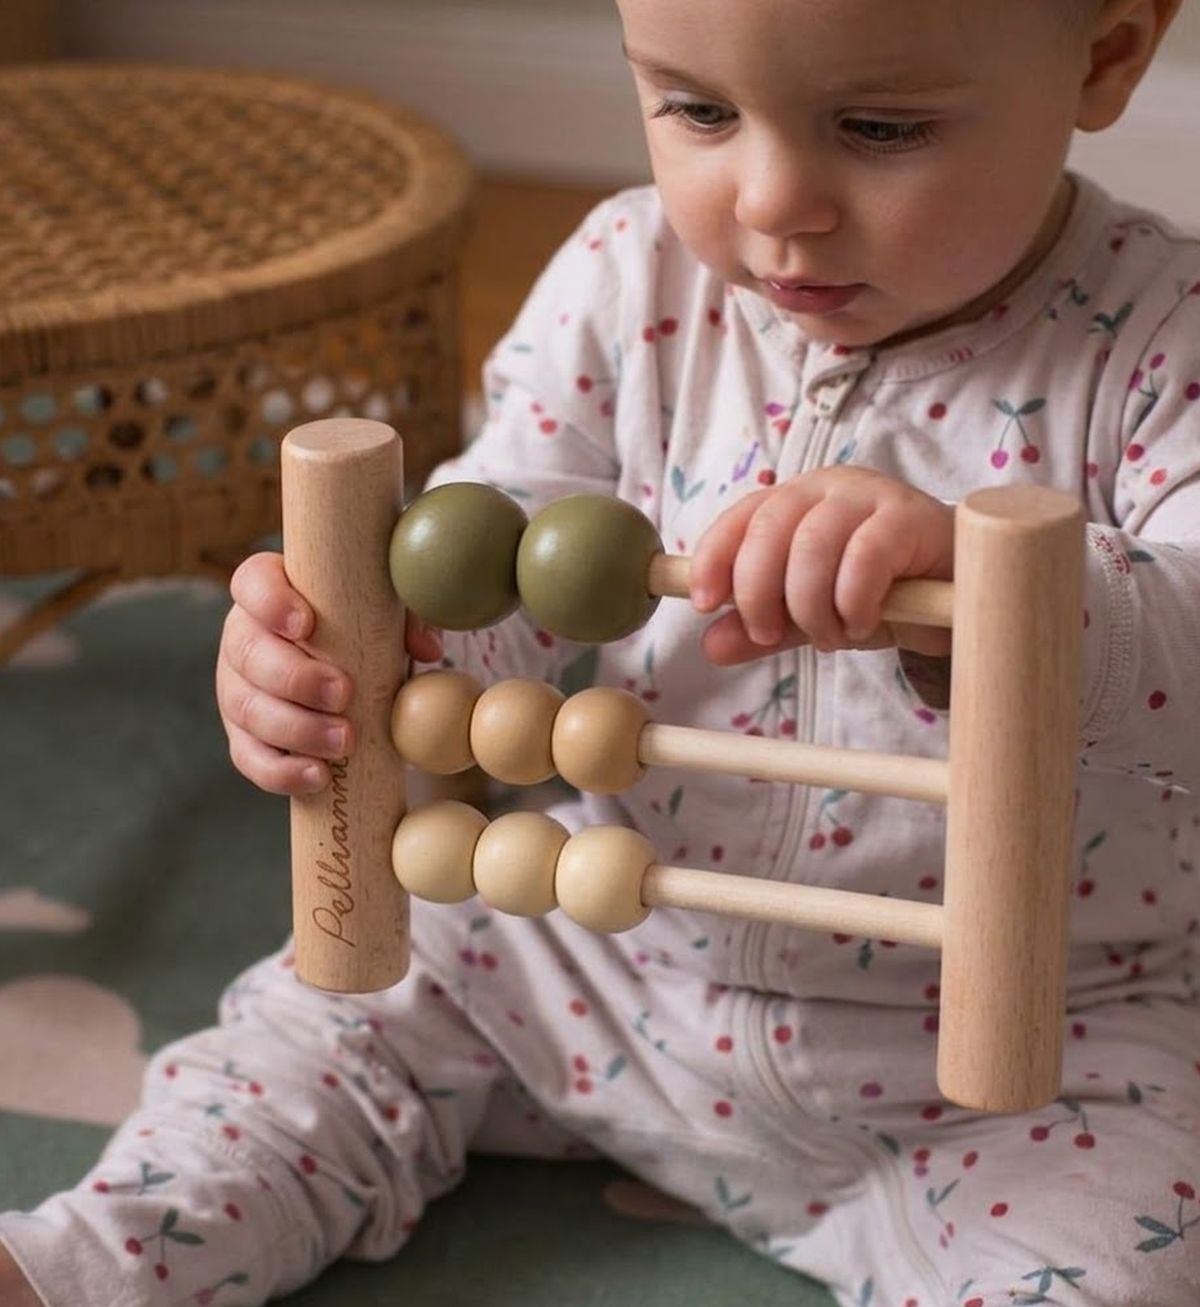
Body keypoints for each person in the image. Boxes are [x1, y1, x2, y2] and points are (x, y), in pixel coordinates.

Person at [3, 0, 1198, 1303]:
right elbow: (487, 563)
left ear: (1106, 54)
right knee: (321, 1027)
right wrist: (345, 660)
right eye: (698, 109)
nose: (773, 200)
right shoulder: (631, 279)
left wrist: (986, 602)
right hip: (605, 950)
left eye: (879, 126)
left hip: (1039, 1040)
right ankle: (85, 1263)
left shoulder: (1164, 341)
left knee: (1135, 1257)